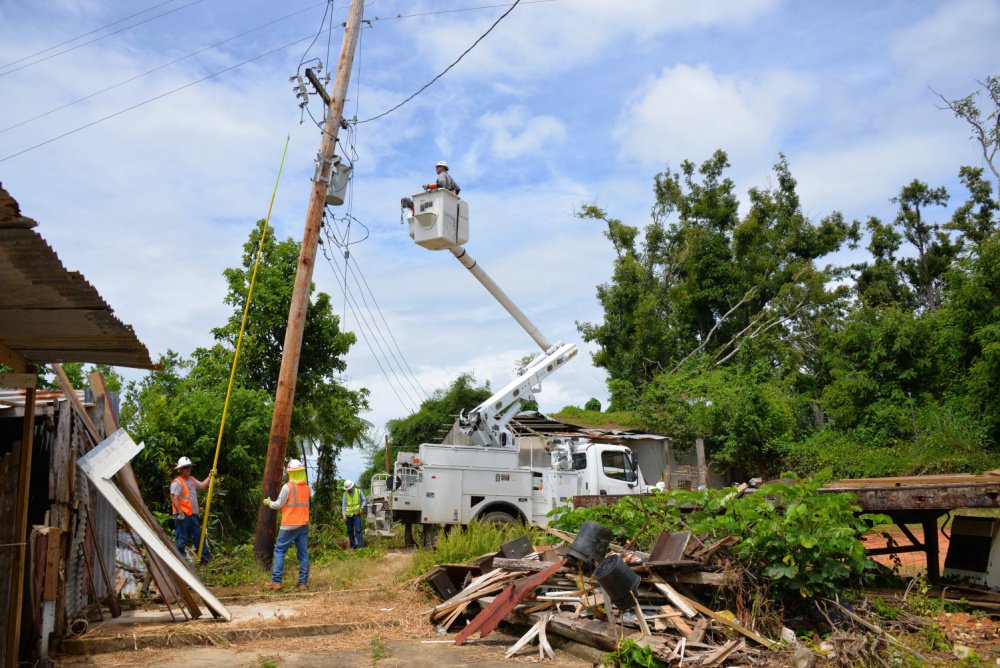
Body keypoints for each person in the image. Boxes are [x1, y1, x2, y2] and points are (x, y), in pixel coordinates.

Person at [263, 459, 311, 591]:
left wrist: (269, 503)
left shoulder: (287, 487)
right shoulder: (307, 488)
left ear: (290, 472)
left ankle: (276, 582)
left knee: (279, 551)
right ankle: (302, 583)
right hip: (303, 525)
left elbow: (278, 504)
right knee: (303, 553)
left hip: (289, 525)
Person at [170, 456, 215, 564]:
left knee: (198, 537)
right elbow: (174, 498)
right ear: (180, 469)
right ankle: (181, 562)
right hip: (182, 516)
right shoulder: (177, 482)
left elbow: (203, 485)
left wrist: (210, 476)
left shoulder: (192, 480)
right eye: (185, 467)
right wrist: (180, 512)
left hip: (192, 515)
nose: (188, 469)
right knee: (181, 539)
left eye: (189, 467)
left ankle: (205, 559)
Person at [342, 479, 367, 550]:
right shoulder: (345, 494)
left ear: (352, 486)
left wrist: (362, 507)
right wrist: (344, 515)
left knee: (358, 530)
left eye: (349, 488)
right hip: (348, 515)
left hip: (356, 514)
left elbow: (364, 499)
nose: (348, 490)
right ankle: (352, 546)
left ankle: (360, 546)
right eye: (347, 489)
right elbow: (343, 505)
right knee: (350, 531)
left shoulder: (358, 491)